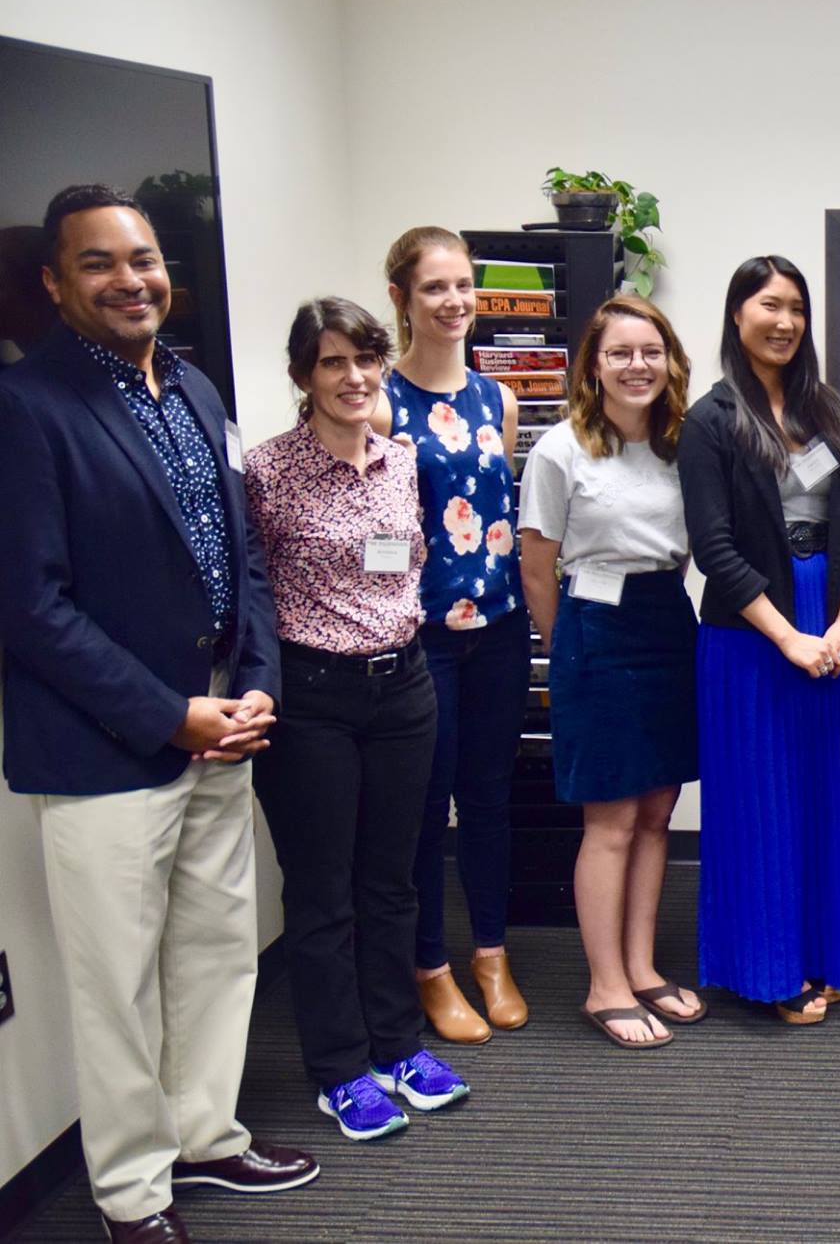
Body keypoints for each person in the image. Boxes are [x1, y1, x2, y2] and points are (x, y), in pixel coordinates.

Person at [0, 185, 316, 1243]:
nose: (130, 279)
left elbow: (241, 554)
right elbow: (28, 607)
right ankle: (132, 1190)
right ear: (54, 283)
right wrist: (167, 715)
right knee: (117, 984)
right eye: (99, 264)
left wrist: (259, 674)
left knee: (217, 950)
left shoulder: (191, 385)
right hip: (105, 750)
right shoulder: (26, 407)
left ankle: (206, 1135)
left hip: (226, 724)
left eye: (142, 258)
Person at [245, 297, 471, 1138]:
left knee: (395, 879)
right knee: (322, 890)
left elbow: (406, 564)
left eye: (366, 359)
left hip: (404, 688)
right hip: (313, 700)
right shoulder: (267, 472)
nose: (354, 376)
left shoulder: (402, 459)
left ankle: (398, 1046)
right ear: (303, 375)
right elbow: (250, 593)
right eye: (333, 362)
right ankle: (339, 1067)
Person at [681, 255, 840, 1025]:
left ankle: (834, 953)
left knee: (829, 794)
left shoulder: (825, 406)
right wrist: (789, 637)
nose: (786, 320)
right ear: (738, 315)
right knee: (761, 803)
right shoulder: (712, 419)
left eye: (796, 306)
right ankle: (769, 969)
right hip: (751, 634)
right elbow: (714, 548)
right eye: (769, 304)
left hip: (832, 623)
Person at [518, 295, 702, 1048]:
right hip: (595, 628)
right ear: (592, 365)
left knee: (656, 808)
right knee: (611, 817)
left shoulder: (680, 445)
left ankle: (641, 966)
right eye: (620, 352)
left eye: (650, 352)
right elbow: (536, 568)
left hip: (666, 620)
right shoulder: (560, 449)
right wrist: (575, 653)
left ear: (670, 362)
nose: (637, 365)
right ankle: (604, 985)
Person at [372, 226, 528, 1044]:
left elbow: (499, 516)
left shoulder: (496, 399)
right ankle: (430, 967)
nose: (454, 301)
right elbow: (372, 531)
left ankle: (492, 954)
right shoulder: (379, 403)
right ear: (400, 297)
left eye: (463, 284)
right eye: (434, 286)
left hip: (498, 629)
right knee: (427, 810)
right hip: (422, 638)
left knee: (492, 799)